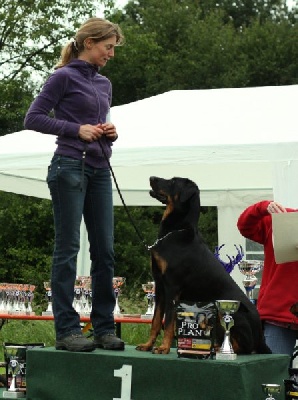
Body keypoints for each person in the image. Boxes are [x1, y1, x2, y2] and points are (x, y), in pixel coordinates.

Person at [24, 17, 125, 352]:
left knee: (105, 251)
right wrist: (75, 129)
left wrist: (109, 132)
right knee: (68, 249)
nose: (110, 54)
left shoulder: (105, 84)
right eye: (108, 47)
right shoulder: (62, 77)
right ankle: (67, 331)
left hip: (98, 168)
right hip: (68, 166)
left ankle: (104, 328)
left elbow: (100, 123)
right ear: (89, 43)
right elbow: (33, 117)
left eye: (112, 48)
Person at [237, 200, 298, 355]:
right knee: (272, 375)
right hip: (278, 316)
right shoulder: (280, 218)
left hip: (278, 314)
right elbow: (245, 226)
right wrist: (263, 208)